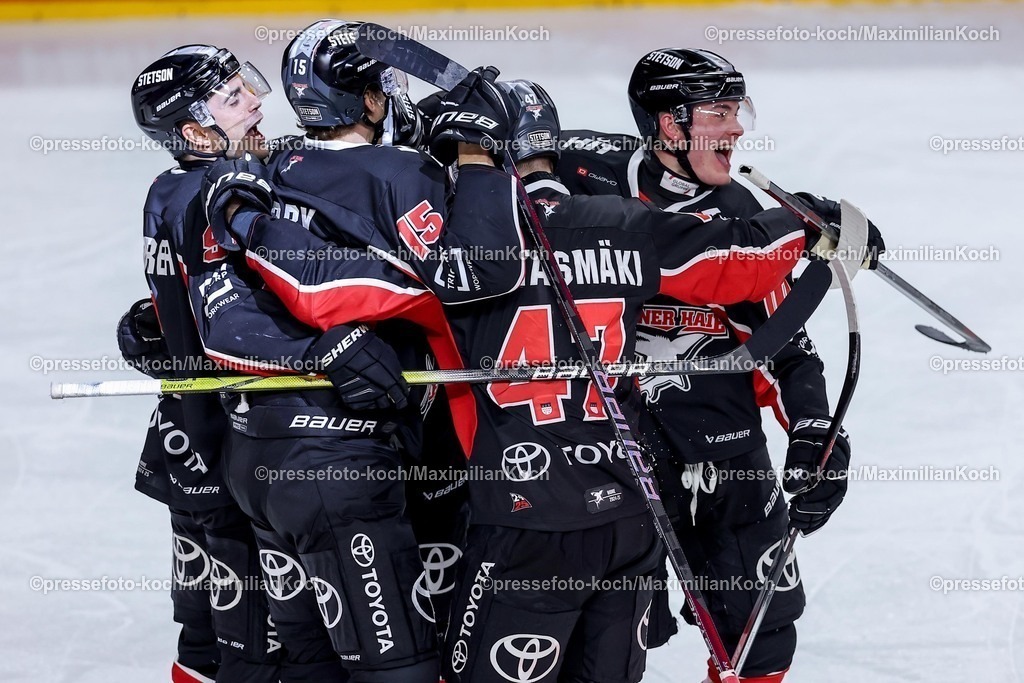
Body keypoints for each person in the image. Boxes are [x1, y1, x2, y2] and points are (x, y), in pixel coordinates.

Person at [203, 63, 857, 681]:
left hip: (522, 519)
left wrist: (249, 220)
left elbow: (340, 293)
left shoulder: (468, 257)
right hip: (628, 515)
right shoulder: (626, 225)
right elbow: (734, 259)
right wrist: (816, 226)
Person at [556, 48, 883, 682]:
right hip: (609, 459)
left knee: (761, 640)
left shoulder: (741, 218)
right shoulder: (582, 177)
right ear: (667, 124)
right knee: (599, 646)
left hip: (722, 455)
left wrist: (817, 432)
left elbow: (785, 347)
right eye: (718, 112)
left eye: (737, 110)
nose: (736, 128)